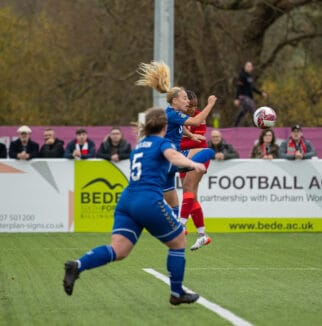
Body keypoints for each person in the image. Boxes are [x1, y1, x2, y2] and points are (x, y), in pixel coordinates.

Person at [63, 107, 207, 305]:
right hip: (147, 200)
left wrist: (181, 163)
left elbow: (163, 163)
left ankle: (77, 265)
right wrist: (193, 164)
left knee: (119, 250)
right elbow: (172, 156)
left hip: (127, 201)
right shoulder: (162, 142)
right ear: (165, 126)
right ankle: (176, 293)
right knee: (179, 241)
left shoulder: (139, 146)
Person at [135, 61, 217, 251]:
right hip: (171, 159)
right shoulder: (173, 113)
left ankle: (175, 231)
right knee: (208, 152)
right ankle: (182, 225)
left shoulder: (173, 115)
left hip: (165, 165)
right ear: (175, 101)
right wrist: (210, 104)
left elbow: (178, 128)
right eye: (184, 98)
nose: (188, 101)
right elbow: (197, 120)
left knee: (174, 204)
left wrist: (190, 134)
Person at [179, 90, 214, 250]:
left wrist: (181, 143)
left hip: (198, 156)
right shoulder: (177, 116)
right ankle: (202, 235)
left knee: (187, 187)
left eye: (195, 106)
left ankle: (181, 225)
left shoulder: (199, 117)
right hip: (182, 158)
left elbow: (196, 142)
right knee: (191, 196)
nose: (193, 109)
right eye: (190, 106)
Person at [233, 61, 268, 127]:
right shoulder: (242, 75)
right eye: (247, 66)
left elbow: (252, 88)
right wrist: (236, 98)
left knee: (243, 111)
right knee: (252, 109)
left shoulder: (250, 77)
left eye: (250, 66)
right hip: (243, 96)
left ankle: (235, 125)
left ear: (252, 68)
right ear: (245, 67)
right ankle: (257, 125)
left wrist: (261, 93)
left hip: (249, 97)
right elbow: (239, 87)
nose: (249, 68)